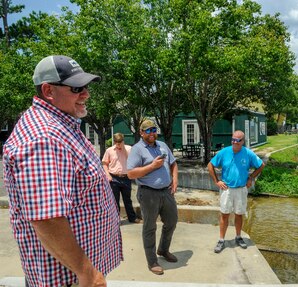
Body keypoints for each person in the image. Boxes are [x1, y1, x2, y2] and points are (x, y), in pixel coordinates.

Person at [2, 55, 122, 287]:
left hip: (76, 272)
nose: (86, 93)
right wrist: (86, 272)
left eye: (86, 86)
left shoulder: (60, 124)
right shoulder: (44, 138)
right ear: (48, 91)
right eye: (77, 87)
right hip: (68, 277)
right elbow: (46, 218)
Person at [127, 119, 178, 275]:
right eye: (147, 130)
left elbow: (173, 163)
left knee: (172, 221)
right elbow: (130, 173)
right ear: (141, 133)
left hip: (166, 191)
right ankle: (152, 261)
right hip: (148, 193)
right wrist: (152, 166)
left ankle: (163, 249)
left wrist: (175, 179)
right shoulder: (137, 149)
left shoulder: (163, 145)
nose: (151, 133)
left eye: (153, 129)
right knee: (150, 227)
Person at [207, 130, 265, 254]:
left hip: (241, 189)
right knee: (224, 214)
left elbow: (261, 165)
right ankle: (221, 240)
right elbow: (210, 165)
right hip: (226, 189)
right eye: (233, 139)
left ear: (243, 141)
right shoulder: (224, 152)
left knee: (239, 214)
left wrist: (251, 177)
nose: (234, 142)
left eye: (237, 140)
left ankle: (238, 237)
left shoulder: (248, 153)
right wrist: (217, 181)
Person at [102, 132, 142, 224]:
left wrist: (123, 149)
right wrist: (107, 174)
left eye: (120, 142)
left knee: (127, 199)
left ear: (123, 141)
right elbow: (104, 163)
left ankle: (132, 218)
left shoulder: (129, 149)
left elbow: (132, 161)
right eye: (116, 142)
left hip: (126, 177)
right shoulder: (109, 150)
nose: (118, 144)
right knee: (114, 201)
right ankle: (116, 220)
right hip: (114, 177)